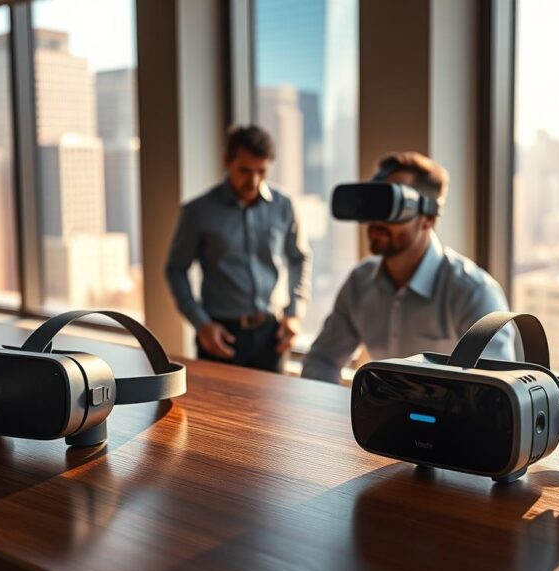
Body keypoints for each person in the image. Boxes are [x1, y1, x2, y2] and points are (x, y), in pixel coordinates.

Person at [301, 151, 514, 384]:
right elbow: (321, 360)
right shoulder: (359, 283)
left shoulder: (473, 292)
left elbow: (497, 386)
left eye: (391, 204)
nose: (376, 220)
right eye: (375, 203)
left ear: (428, 218)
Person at [166, 125, 311, 373]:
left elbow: (299, 258)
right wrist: (201, 324)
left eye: (261, 171)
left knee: (273, 401)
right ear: (227, 161)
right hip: (220, 335)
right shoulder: (198, 211)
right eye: (245, 170)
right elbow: (176, 269)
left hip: (272, 335)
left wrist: (295, 313)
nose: (253, 181)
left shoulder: (284, 205)